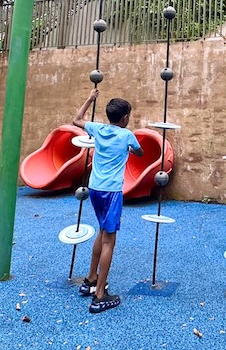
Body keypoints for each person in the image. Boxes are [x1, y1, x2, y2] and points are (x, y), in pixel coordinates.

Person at [73, 88, 143, 313]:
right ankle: (100, 294)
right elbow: (139, 152)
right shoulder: (127, 135)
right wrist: (131, 150)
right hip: (112, 192)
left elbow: (76, 120)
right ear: (124, 118)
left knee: (102, 231)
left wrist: (89, 98)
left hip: (94, 188)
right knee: (109, 240)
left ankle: (91, 279)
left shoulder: (98, 128)